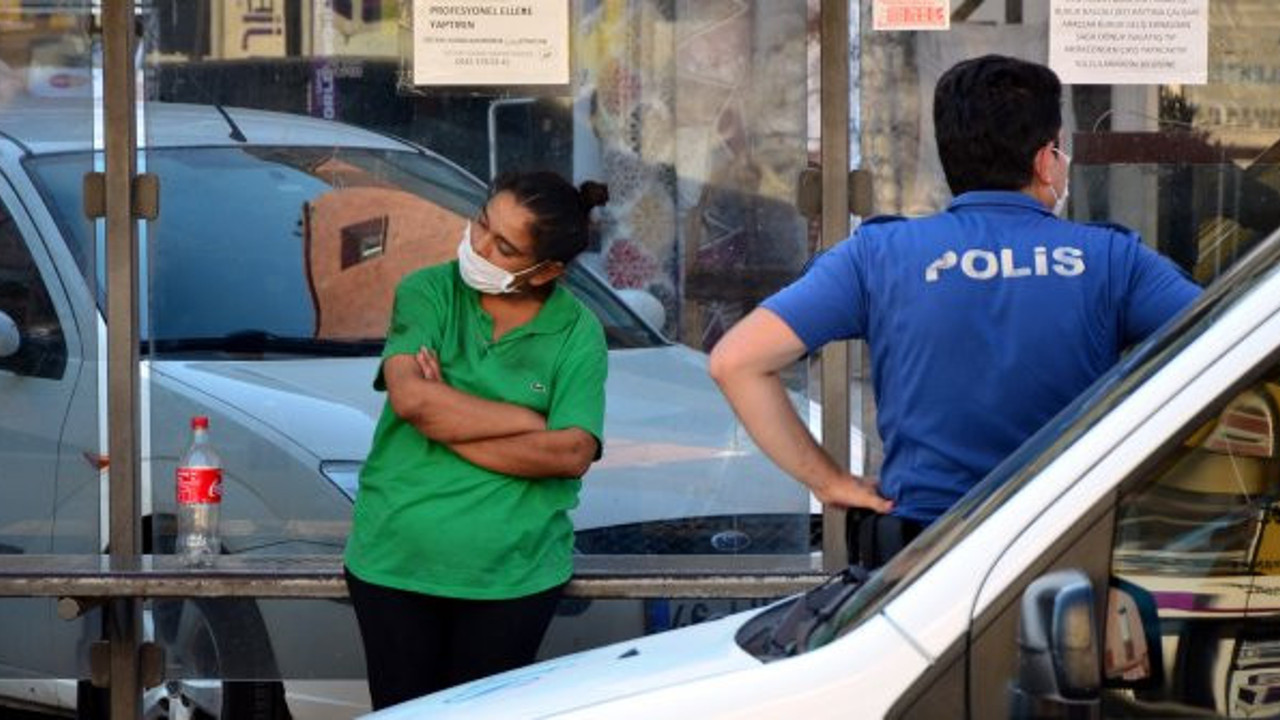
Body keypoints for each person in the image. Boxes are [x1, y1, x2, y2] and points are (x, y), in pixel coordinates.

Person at [708, 54, 1202, 570]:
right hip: (1067, 548)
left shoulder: (879, 255)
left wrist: (830, 483)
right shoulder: (1111, 260)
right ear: (1044, 160)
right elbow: (1225, 345)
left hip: (921, 563)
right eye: (1060, 149)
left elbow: (736, 362)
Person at [343, 171, 610, 709]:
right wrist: (528, 420)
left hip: (513, 577)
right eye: (482, 224)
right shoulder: (427, 291)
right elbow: (412, 400)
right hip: (396, 562)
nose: (479, 246)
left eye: (505, 247)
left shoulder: (579, 332)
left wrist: (447, 422)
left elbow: (573, 452)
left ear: (549, 269)